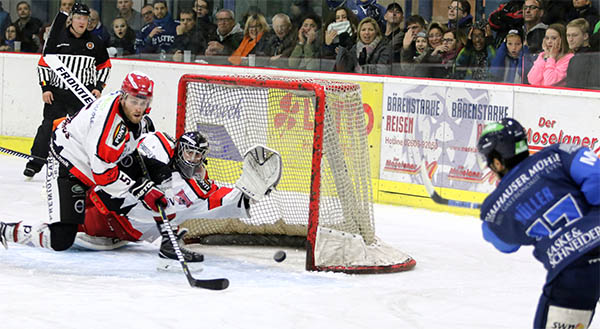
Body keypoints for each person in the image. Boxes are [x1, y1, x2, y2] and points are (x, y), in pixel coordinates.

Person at [1, 72, 160, 255]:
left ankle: (103, 222)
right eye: (134, 102)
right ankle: (6, 230)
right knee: (61, 238)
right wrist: (139, 188)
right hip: (67, 164)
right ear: (123, 97)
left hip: (89, 157)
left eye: (143, 102)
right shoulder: (108, 127)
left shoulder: (128, 112)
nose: (139, 108)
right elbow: (103, 176)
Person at [476, 117, 600, 329]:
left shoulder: (496, 206)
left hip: (574, 275)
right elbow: (596, 179)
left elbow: (504, 244)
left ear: (498, 162)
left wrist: (492, 210)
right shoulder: (558, 153)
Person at [76, 131, 251, 264]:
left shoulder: (198, 186)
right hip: (106, 201)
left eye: (198, 155)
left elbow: (223, 200)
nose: (193, 159)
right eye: (189, 152)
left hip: (127, 228)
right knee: (65, 227)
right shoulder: (158, 145)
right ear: (180, 149)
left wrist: (251, 191)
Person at [25, 3, 111, 178]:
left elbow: (105, 66)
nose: (82, 22)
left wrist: (98, 87)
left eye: (85, 19)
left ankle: (82, 168)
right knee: (47, 128)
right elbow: (44, 64)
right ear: (71, 19)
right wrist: (46, 87)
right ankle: (35, 163)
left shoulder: (95, 42)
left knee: (83, 133)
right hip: (58, 94)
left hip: (82, 95)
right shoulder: (57, 37)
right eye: (79, 18)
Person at [566, 18, 600, 89]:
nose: (570, 39)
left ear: (585, 36)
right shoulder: (574, 55)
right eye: (568, 35)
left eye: (574, 35)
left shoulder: (588, 57)